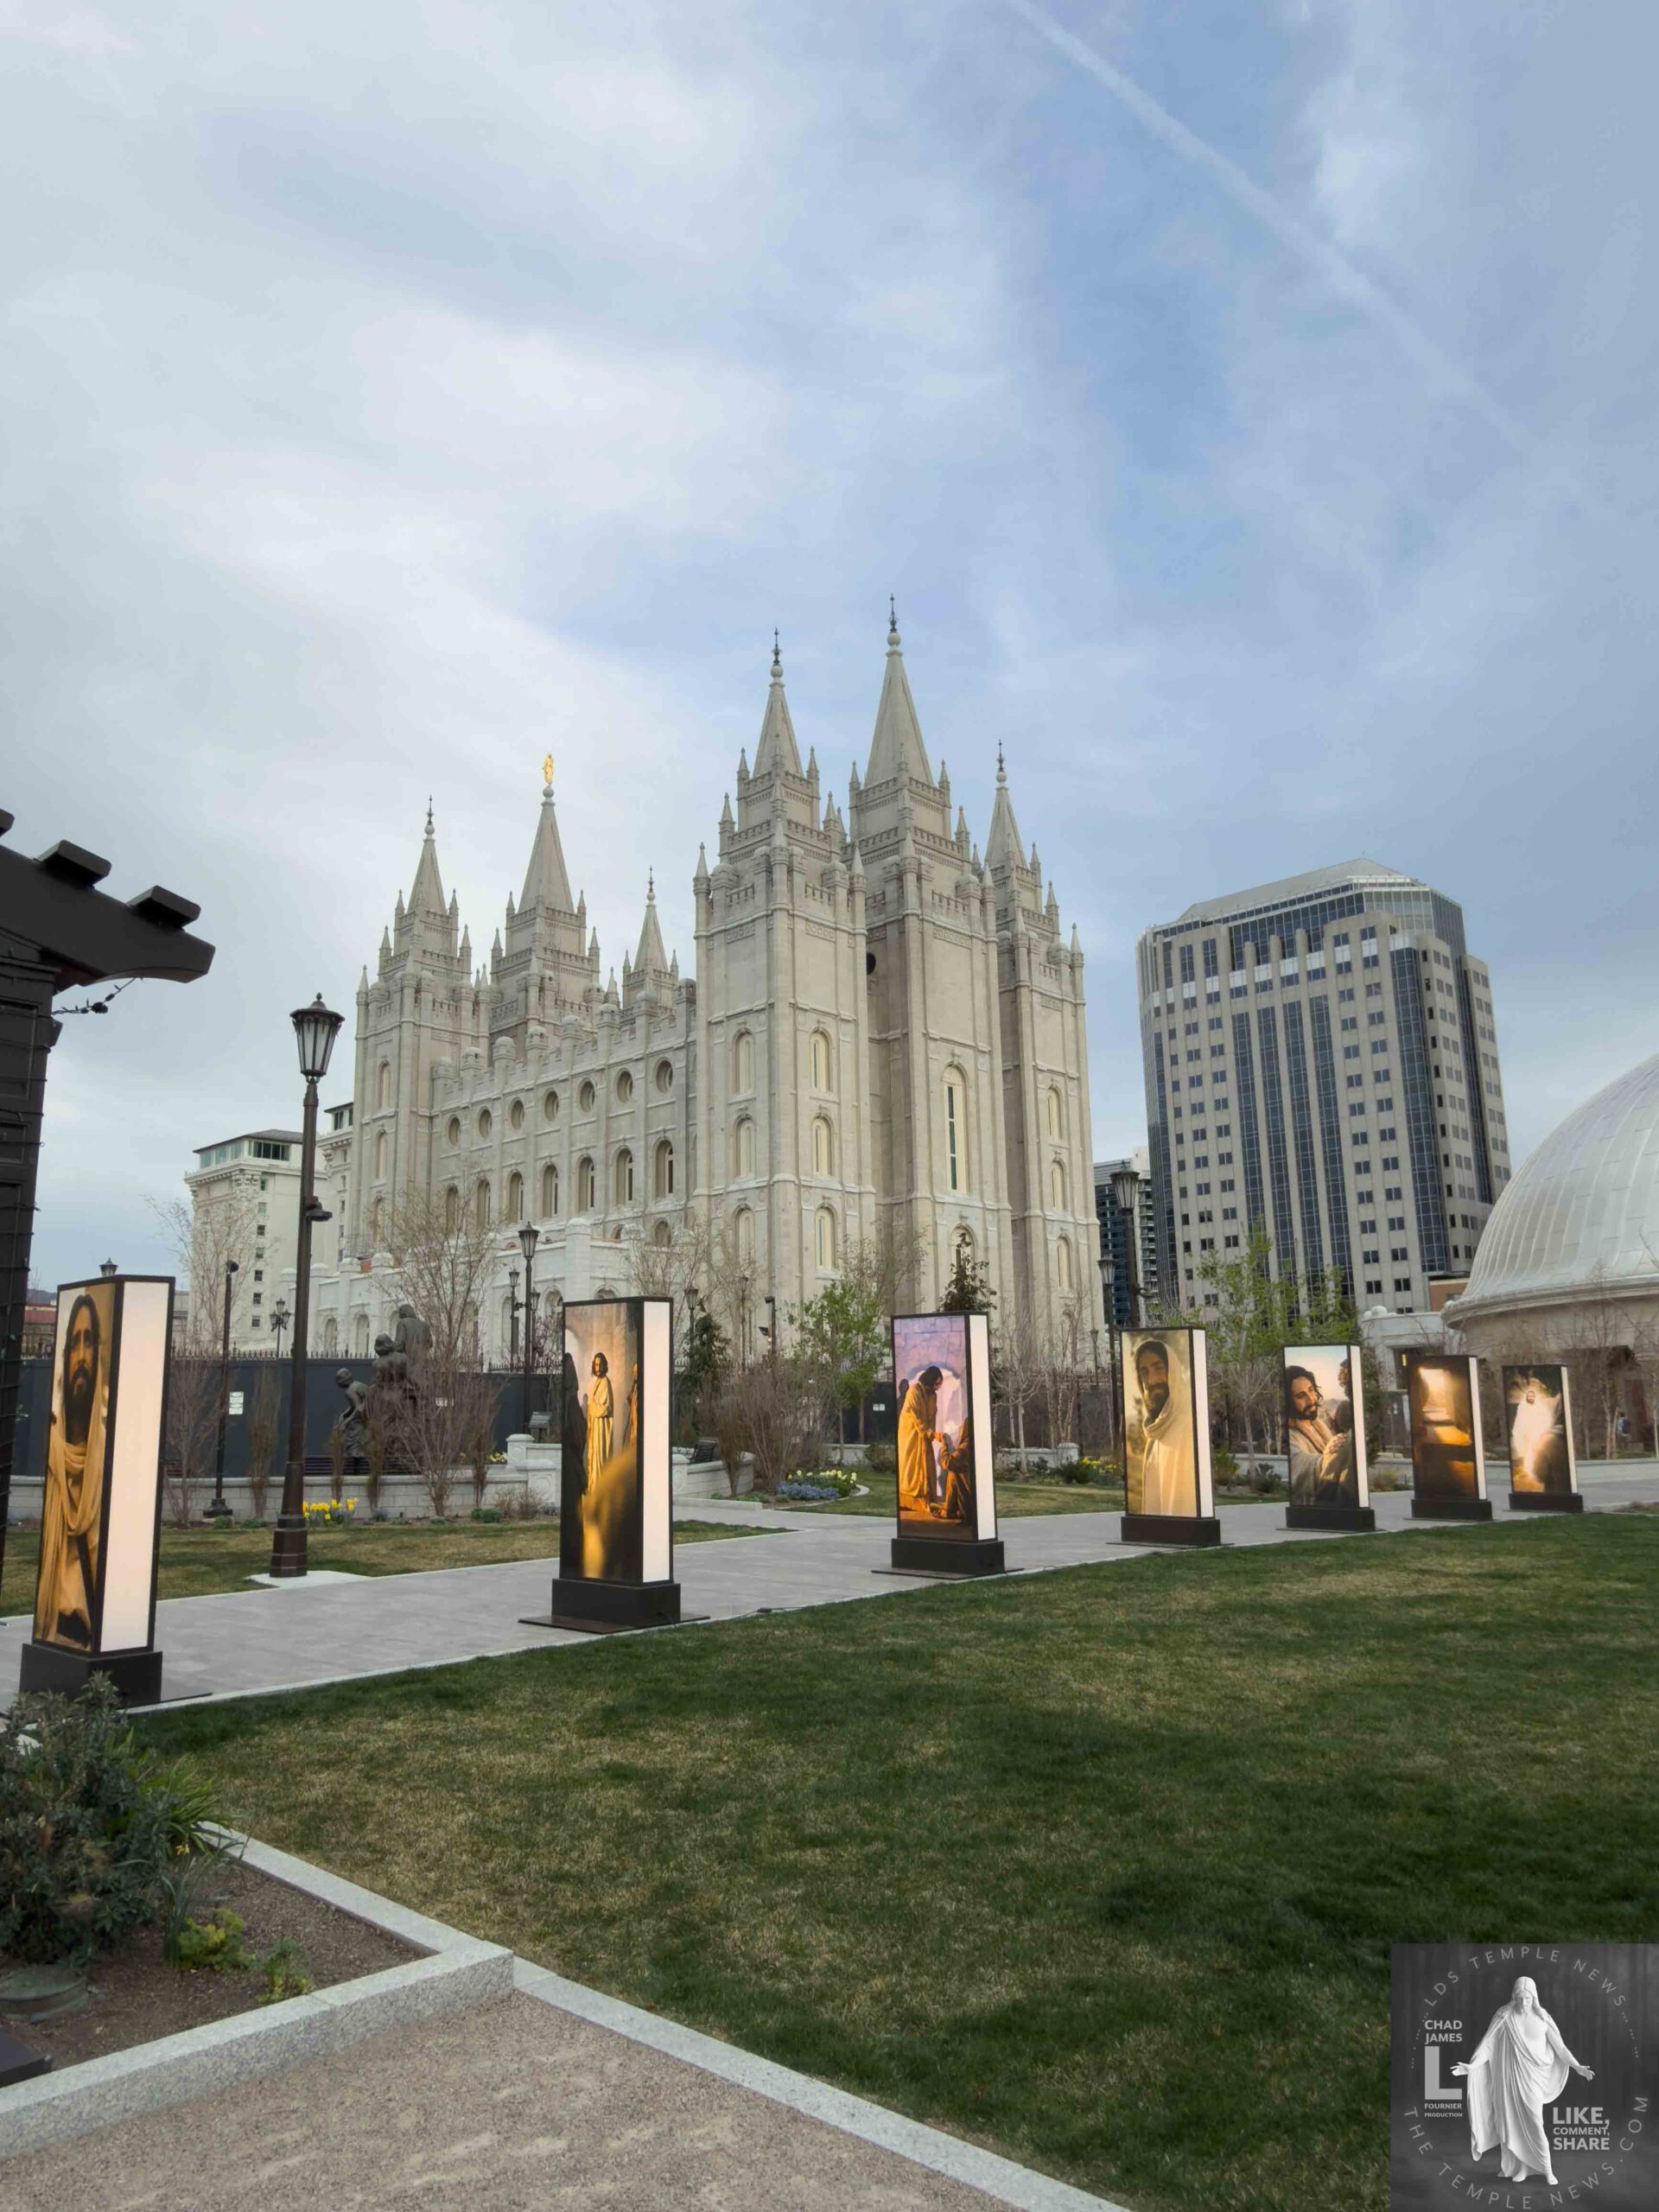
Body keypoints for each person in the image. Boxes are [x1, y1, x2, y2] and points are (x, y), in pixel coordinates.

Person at [1452, 1975, 1592, 2187]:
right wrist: (1472, 2066)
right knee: (1512, 2124)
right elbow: (1488, 2046)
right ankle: (1521, 2168)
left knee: (1536, 2123)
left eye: (1528, 1998)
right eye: (1520, 1998)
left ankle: (1547, 2170)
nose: (1523, 2003)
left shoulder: (1543, 2019)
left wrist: (1577, 2066)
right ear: (1514, 1996)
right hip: (1509, 2080)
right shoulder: (1504, 2016)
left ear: (1534, 1997)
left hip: (1533, 2080)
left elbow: (1561, 2048)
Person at [35, 1290, 111, 1649]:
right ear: (64, 1357)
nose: (81, 1356)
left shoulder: (109, 1461)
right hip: (53, 1635)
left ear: (98, 1353)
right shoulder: (55, 1455)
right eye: (75, 1343)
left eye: (89, 1342)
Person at [1132, 1339, 1195, 1516]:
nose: (1152, 1380)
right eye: (1144, 1372)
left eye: (1159, 1368)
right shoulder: (1156, 1430)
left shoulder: (1187, 1422)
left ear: (1172, 1369)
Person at [1286, 1365, 1355, 1506]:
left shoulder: (1319, 1424)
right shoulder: (1290, 1433)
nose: (1311, 1400)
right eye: (1301, 1396)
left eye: (1311, 1390)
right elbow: (1297, 1465)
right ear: (1289, 1401)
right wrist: (1329, 1455)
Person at [898, 1365, 946, 1519]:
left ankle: (929, 1497)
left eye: (940, 1384)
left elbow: (932, 1417)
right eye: (937, 1383)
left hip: (925, 1435)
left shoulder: (933, 1396)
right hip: (911, 1435)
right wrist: (930, 1433)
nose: (938, 1387)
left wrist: (933, 1435)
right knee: (913, 1466)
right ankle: (914, 1499)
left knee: (928, 1463)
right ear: (930, 1380)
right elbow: (917, 1416)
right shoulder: (914, 1391)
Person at [583, 1352, 613, 1490]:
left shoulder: (606, 1382)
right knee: (593, 1458)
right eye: (596, 1364)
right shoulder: (595, 1382)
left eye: (600, 1364)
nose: (598, 1367)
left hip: (601, 1429)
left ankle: (599, 1489)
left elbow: (606, 1408)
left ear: (605, 1365)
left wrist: (591, 1405)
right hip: (594, 1427)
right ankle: (593, 1487)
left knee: (600, 1459)